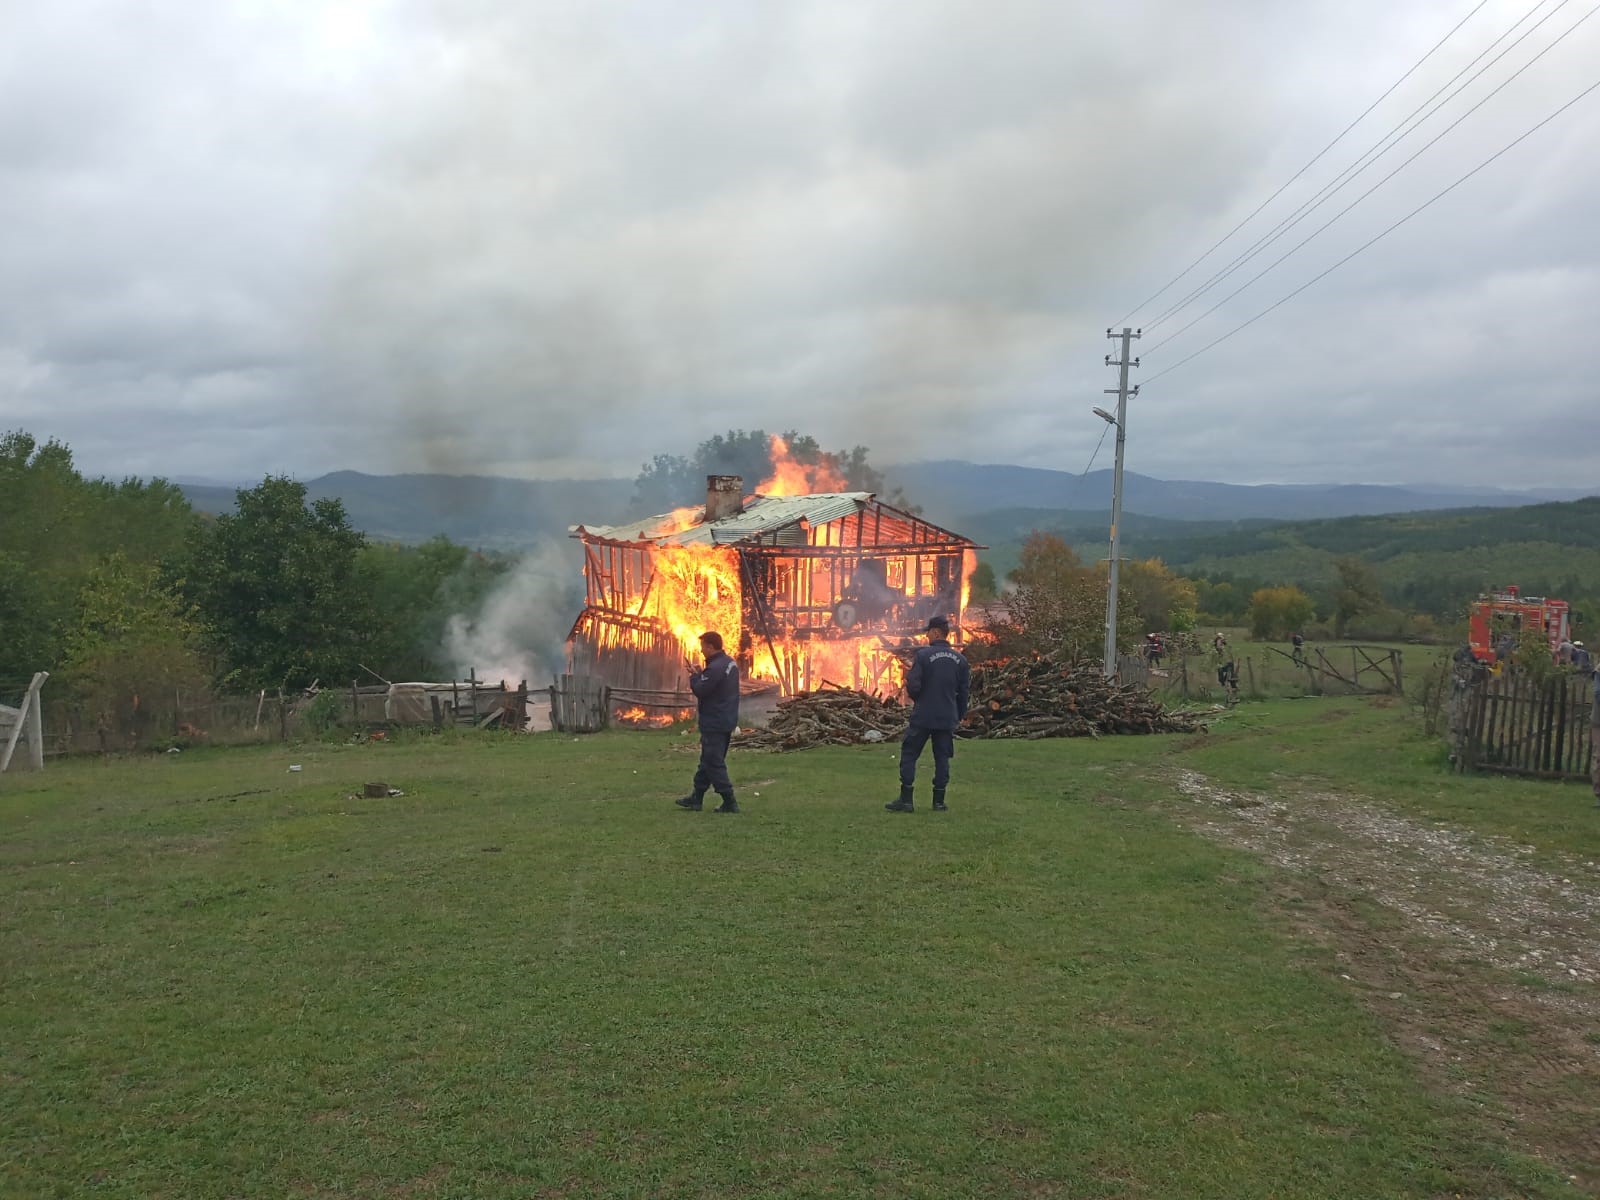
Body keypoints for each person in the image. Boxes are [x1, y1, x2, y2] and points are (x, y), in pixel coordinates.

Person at [887, 615, 971, 813]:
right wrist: (958, 714)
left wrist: (919, 699)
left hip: (924, 715)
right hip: (946, 716)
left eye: (928, 632)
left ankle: (906, 800)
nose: (926, 636)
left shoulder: (924, 656)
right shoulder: (960, 660)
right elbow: (964, 691)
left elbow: (913, 684)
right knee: (942, 757)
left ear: (935, 632)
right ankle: (939, 801)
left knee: (909, 753)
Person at [676, 631, 741, 814]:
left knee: (713, 761)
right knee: (707, 760)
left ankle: (729, 800)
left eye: (703, 646)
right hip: (726, 718)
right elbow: (715, 686)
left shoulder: (716, 668)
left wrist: (694, 676)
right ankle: (696, 797)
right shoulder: (729, 663)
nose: (701, 650)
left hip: (715, 720)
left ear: (711, 647)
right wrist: (701, 673)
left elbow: (701, 690)